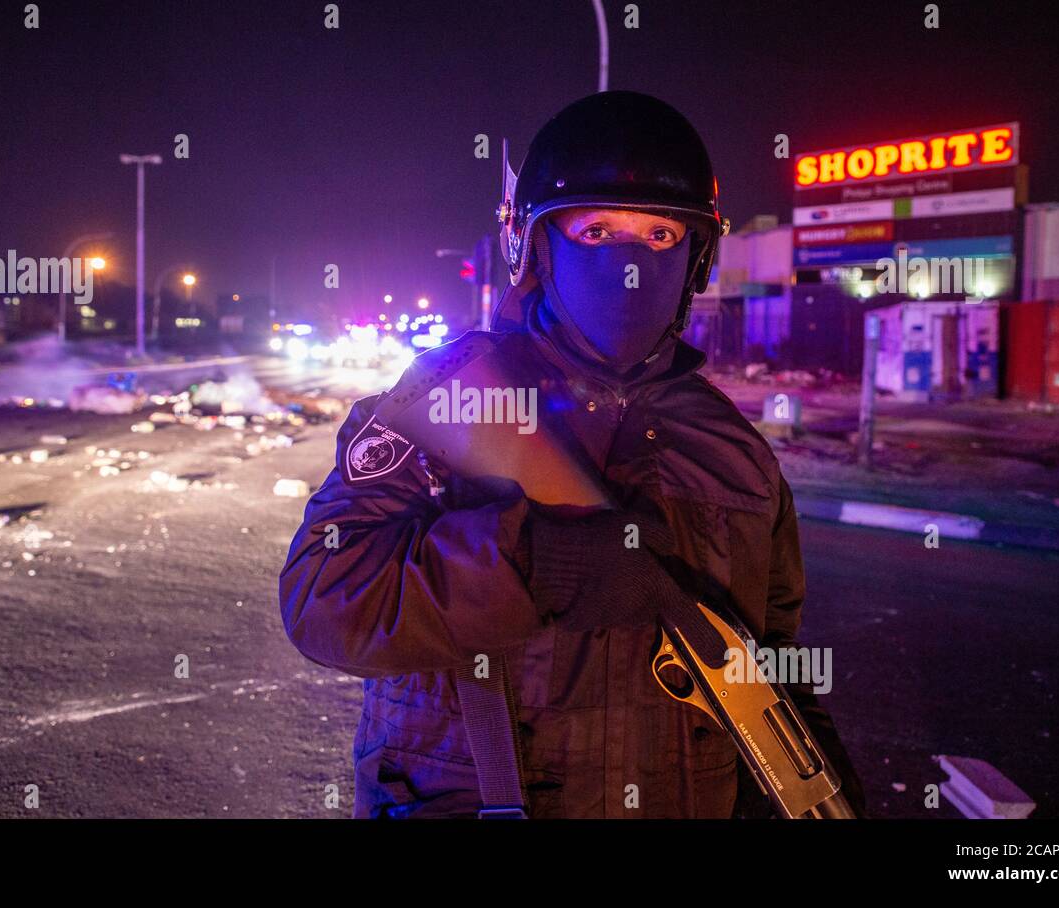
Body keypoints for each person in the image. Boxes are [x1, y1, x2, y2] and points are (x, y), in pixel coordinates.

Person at [278, 90, 865, 819]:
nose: (627, 262)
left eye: (658, 236)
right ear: (536, 246)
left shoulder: (737, 455)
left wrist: (818, 777)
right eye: (595, 232)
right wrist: (527, 564)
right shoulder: (446, 397)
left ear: (696, 258)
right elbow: (323, 600)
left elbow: (768, 657)